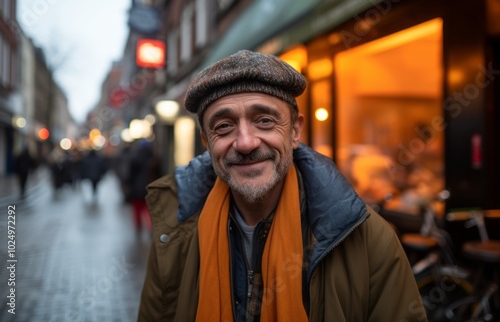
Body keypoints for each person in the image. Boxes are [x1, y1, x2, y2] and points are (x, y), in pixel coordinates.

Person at [138, 50, 427, 321]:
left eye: (264, 121)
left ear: (295, 131)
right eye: (224, 126)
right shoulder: (174, 235)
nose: (246, 143)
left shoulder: (364, 238)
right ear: (206, 141)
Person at [125, 139, 160, 234]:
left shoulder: (134, 158)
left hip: (137, 188)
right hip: (150, 188)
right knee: (149, 209)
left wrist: (128, 184)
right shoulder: (153, 158)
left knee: (137, 209)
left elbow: (130, 175)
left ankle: (138, 227)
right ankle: (150, 227)